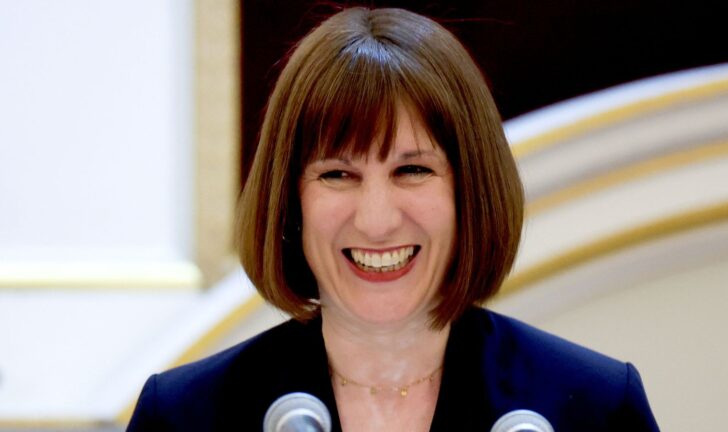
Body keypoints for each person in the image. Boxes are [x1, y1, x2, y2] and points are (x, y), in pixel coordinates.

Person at [127, 7, 659, 431]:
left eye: (411, 170)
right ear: (290, 201)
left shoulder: (593, 409)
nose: (376, 221)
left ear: (469, 192)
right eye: (337, 174)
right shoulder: (184, 417)